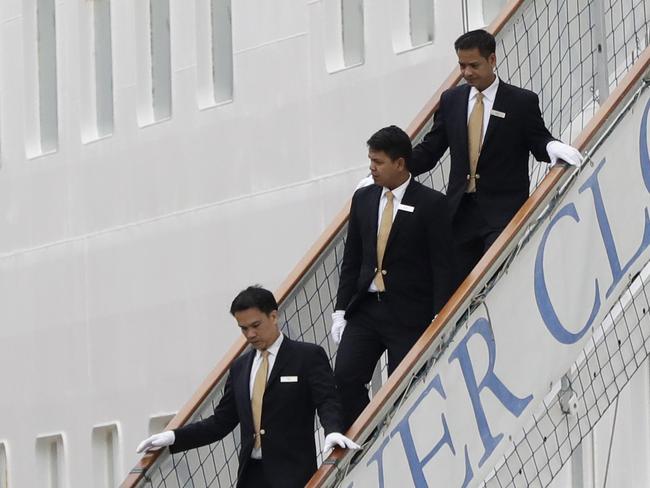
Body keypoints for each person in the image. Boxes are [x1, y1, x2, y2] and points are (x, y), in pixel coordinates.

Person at [371, 29, 583, 284]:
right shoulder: (452, 100)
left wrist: (553, 147)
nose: (467, 72)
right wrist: (393, 171)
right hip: (460, 214)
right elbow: (430, 150)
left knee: (496, 279)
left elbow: (538, 141)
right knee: (457, 286)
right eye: (462, 65)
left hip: (503, 214)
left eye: (474, 65)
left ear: (492, 60)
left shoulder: (520, 101)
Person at [136, 286, 359, 488]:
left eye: (255, 326)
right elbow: (220, 422)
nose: (250, 334)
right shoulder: (240, 367)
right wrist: (174, 437)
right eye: (243, 329)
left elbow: (327, 401)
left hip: (294, 476)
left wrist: (333, 431)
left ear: (274, 316)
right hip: (250, 477)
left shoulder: (307, 356)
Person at [332, 126, 454, 430]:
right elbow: (353, 260)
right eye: (370, 161)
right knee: (345, 376)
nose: (371, 168)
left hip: (409, 313)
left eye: (378, 162)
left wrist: (440, 314)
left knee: (406, 386)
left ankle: (400, 439)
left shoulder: (431, 203)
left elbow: (443, 264)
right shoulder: (363, 199)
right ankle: (365, 439)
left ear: (400, 163)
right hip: (366, 310)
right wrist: (340, 310)